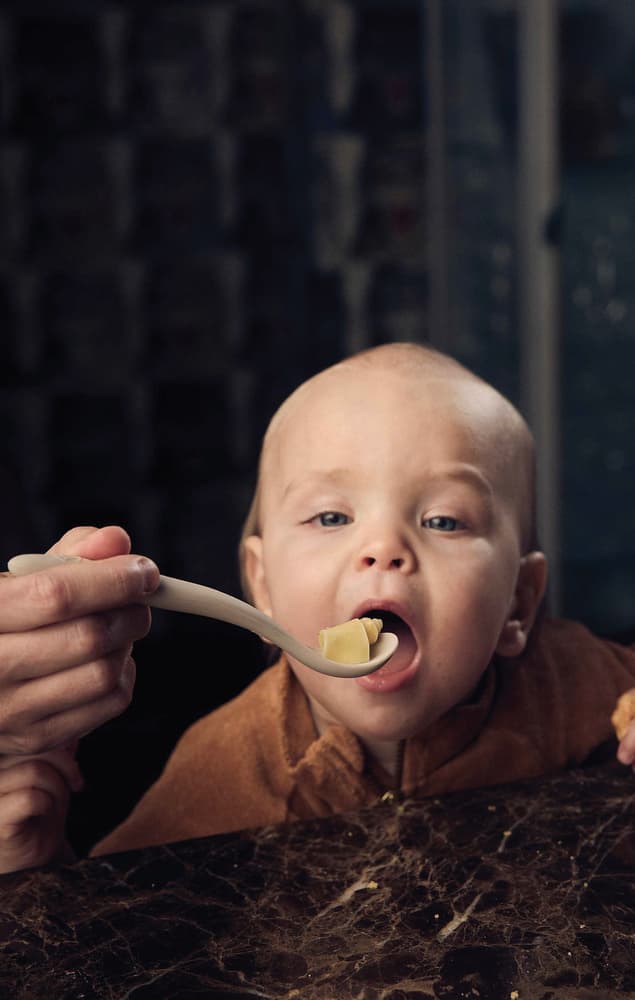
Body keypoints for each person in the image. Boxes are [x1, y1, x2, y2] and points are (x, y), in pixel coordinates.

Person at [1, 342, 634, 873]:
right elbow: (114, 933)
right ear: (264, 586)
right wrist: (36, 856)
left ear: (519, 603)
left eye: (443, 519)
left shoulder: (570, 680)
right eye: (331, 516)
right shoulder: (223, 771)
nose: (384, 548)